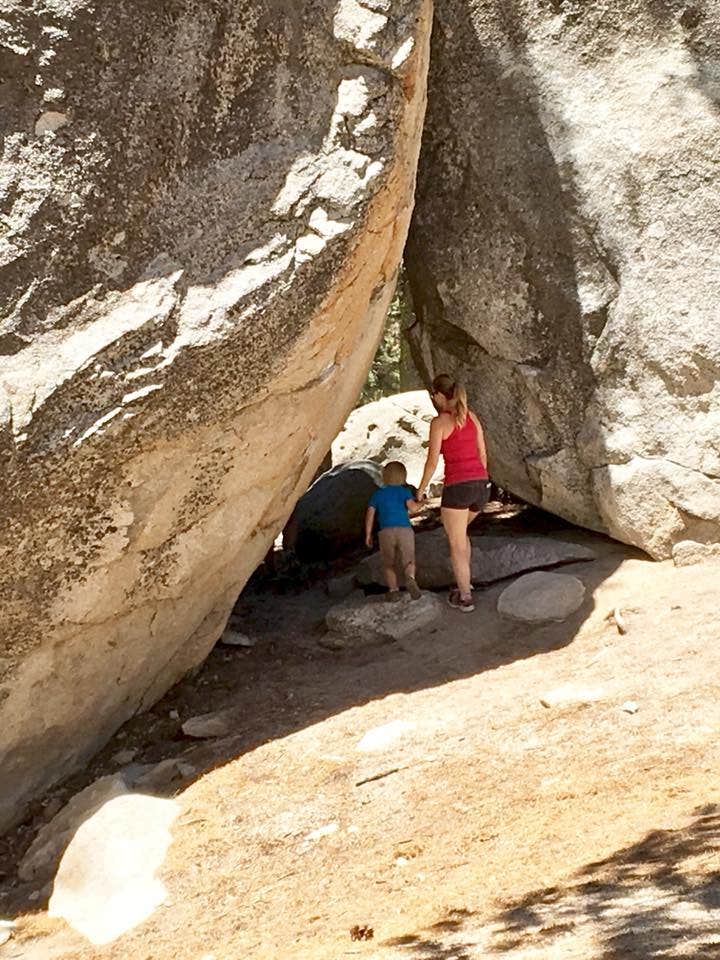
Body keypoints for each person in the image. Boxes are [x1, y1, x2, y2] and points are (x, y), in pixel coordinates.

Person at [416, 374, 489, 613]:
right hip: (480, 484)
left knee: (456, 543)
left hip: (458, 486)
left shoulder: (440, 422)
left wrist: (421, 489)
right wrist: (481, 478)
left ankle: (465, 596)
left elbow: (431, 462)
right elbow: (482, 452)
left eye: (433, 396)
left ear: (439, 395)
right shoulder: (472, 417)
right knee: (462, 534)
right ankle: (465, 583)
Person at [365, 461, 422, 602]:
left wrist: (368, 534)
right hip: (405, 530)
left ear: (384, 477)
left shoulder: (378, 494)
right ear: (404, 478)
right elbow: (413, 508)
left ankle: (393, 590)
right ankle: (410, 578)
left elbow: (370, 514)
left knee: (388, 563)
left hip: (386, 532)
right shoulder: (404, 492)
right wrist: (422, 503)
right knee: (409, 560)